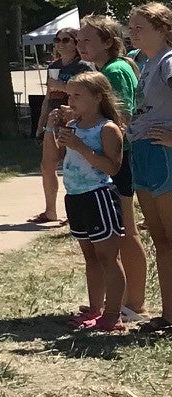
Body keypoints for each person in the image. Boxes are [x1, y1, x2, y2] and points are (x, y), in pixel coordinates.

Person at [77, 14, 148, 319]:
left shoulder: (114, 71)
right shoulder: (109, 68)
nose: (80, 44)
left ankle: (133, 303)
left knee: (127, 232)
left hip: (122, 158)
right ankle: (121, 301)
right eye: (78, 39)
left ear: (108, 42)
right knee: (122, 232)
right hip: (121, 158)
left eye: (87, 39)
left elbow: (125, 117)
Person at [53, 70, 129, 332]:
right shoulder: (74, 125)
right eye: (68, 95)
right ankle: (95, 308)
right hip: (75, 196)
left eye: (77, 95)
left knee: (108, 257)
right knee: (90, 257)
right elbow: (60, 155)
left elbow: (113, 168)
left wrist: (80, 146)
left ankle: (113, 314)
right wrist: (57, 130)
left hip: (99, 196)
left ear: (97, 97)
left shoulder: (106, 128)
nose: (70, 100)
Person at [123, 2, 172, 333]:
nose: (132, 32)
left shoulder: (169, 62)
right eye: (131, 27)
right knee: (160, 238)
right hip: (144, 153)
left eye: (140, 27)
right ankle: (168, 314)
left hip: (163, 155)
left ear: (163, 29)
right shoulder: (146, 62)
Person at [32, 27, 92, 225]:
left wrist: (62, 87)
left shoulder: (84, 66)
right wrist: (40, 125)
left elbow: (88, 94)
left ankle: (73, 212)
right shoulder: (54, 66)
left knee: (71, 165)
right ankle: (50, 211)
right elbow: (48, 97)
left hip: (76, 121)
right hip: (54, 119)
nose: (60, 43)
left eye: (66, 40)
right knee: (47, 164)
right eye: (57, 40)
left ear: (76, 43)